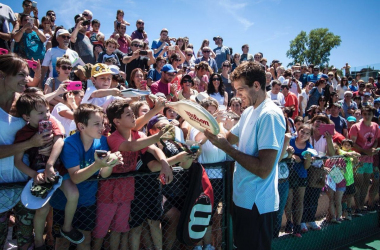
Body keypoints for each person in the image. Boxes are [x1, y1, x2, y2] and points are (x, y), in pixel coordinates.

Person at [204, 61, 286, 250]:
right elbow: (227, 138)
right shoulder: (249, 112)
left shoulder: (270, 115)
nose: (237, 96)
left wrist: (227, 149)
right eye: (235, 90)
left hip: (258, 205)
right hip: (241, 200)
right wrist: (205, 122)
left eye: (240, 90)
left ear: (257, 85)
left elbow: (264, 170)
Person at [92, 100, 172, 250]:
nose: (133, 117)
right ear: (117, 121)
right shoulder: (113, 138)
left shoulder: (138, 134)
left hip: (127, 189)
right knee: (100, 232)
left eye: (132, 113)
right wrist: (157, 137)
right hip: (108, 190)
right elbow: (131, 146)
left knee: (119, 230)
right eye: (128, 114)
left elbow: (154, 150)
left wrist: (165, 163)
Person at [13, 93, 83, 249]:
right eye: (40, 113)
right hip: (39, 174)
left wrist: (50, 164)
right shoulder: (22, 134)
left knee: (73, 194)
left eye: (47, 111)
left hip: (58, 170)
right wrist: (34, 174)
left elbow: (59, 142)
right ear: (26, 117)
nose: (46, 115)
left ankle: (67, 227)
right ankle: (39, 242)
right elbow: (17, 162)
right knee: (43, 209)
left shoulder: (52, 122)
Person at [49, 103, 122, 250]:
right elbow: (75, 178)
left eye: (102, 123)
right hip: (63, 203)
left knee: (85, 241)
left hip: (87, 201)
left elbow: (104, 174)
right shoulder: (69, 144)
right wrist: (97, 164)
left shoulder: (102, 141)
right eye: (96, 124)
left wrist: (109, 164)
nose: (102, 127)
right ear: (81, 126)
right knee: (62, 243)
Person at [0, 53, 53, 249]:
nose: (27, 79)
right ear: (2, 75)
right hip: (1, 187)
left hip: (24, 182)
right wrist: (29, 143)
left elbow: (53, 125)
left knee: (25, 239)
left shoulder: (25, 102)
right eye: (21, 74)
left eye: (28, 74)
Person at [349, 106, 380, 215]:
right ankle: (357, 207)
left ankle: (362, 206)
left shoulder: (375, 126)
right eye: (365, 114)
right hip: (358, 160)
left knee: (366, 183)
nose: (367, 116)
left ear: (372, 115)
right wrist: (365, 151)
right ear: (362, 114)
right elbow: (352, 143)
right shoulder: (355, 127)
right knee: (358, 183)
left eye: (369, 114)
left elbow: (376, 140)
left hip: (369, 160)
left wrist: (373, 149)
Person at [284, 124, 313, 237]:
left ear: (310, 135)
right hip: (288, 175)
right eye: (302, 132)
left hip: (301, 175)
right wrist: (291, 156)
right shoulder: (289, 141)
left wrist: (307, 159)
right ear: (298, 130)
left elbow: (306, 167)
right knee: (289, 201)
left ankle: (297, 227)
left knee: (299, 201)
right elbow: (282, 153)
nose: (304, 135)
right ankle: (288, 223)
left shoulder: (309, 147)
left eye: (307, 133)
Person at [339, 139, 361, 221]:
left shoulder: (352, 154)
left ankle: (348, 211)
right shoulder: (340, 152)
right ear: (341, 145)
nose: (346, 146)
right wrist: (353, 154)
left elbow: (353, 167)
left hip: (350, 179)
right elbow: (347, 153)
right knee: (342, 197)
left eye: (348, 145)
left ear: (351, 147)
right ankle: (342, 213)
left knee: (349, 196)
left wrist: (357, 164)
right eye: (345, 144)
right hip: (342, 179)